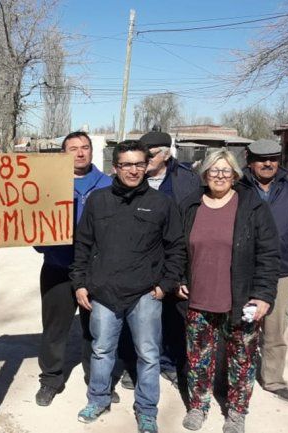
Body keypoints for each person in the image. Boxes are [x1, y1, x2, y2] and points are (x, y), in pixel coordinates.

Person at [70, 141, 185, 433]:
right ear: (115, 167)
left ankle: (147, 410)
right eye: (126, 165)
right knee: (102, 350)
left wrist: (165, 284)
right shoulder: (98, 200)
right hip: (104, 293)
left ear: (146, 166)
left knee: (147, 355)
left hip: (145, 293)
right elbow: (83, 244)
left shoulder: (161, 203)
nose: (132, 170)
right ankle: (98, 398)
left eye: (138, 164)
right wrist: (80, 284)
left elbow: (176, 247)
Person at [178, 150, 280, 433]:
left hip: (241, 299)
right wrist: (178, 277)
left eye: (226, 171)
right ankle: (198, 406)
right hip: (198, 299)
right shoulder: (190, 206)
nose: (220, 176)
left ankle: (236, 412)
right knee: (198, 358)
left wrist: (263, 295)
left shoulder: (252, 207)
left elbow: (269, 254)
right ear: (205, 174)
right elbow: (177, 248)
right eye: (214, 170)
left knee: (241, 360)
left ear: (235, 175)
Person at [33, 131, 112, 407]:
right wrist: (45, 247)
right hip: (58, 268)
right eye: (73, 148)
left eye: (85, 147)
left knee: (96, 328)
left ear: (91, 151)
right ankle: (51, 379)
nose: (80, 153)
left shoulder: (108, 185)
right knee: (55, 328)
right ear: (63, 153)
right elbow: (33, 219)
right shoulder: (50, 183)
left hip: (95, 272)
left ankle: (97, 379)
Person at [239, 139, 288, 402]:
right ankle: (237, 376)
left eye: (273, 158)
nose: (268, 163)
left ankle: (272, 379)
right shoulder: (237, 189)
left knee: (275, 330)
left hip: (280, 272)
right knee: (240, 328)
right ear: (250, 161)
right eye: (262, 159)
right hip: (242, 270)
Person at [142, 128, 201, 388]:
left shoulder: (187, 181)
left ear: (166, 155)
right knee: (140, 315)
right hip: (142, 260)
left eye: (150, 155)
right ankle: (137, 364)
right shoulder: (132, 177)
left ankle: (169, 363)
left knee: (174, 316)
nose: (144, 161)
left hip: (177, 259)